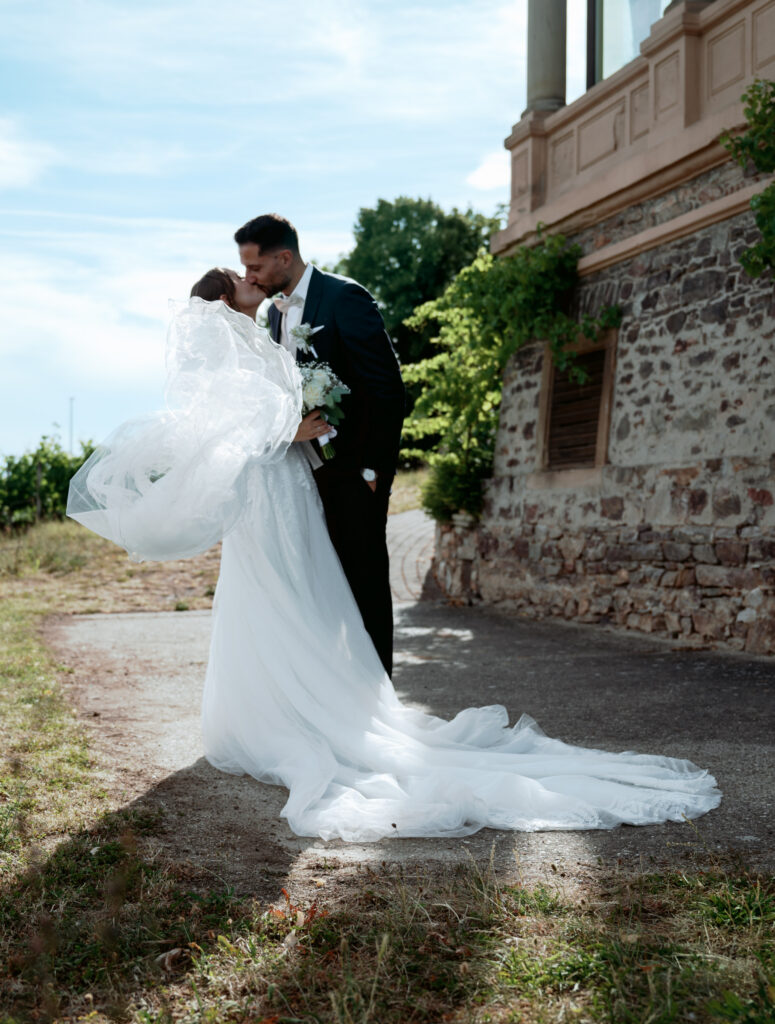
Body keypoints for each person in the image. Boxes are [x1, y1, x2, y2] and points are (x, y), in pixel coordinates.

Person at [68, 273, 721, 843]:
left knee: (305, 595)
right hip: (268, 494)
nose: (249, 278)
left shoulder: (260, 335)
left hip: (291, 488)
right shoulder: (227, 357)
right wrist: (290, 429)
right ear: (222, 301)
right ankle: (281, 716)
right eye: (236, 277)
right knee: (276, 596)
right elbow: (228, 435)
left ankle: (304, 707)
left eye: (250, 269)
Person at [235, 214, 405, 676]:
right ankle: (336, 696)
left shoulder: (345, 297)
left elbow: (388, 391)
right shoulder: (275, 313)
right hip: (300, 480)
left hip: (354, 475)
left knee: (365, 587)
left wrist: (374, 469)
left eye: (254, 267)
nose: (249, 277)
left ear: (284, 258)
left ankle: (377, 699)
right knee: (325, 594)